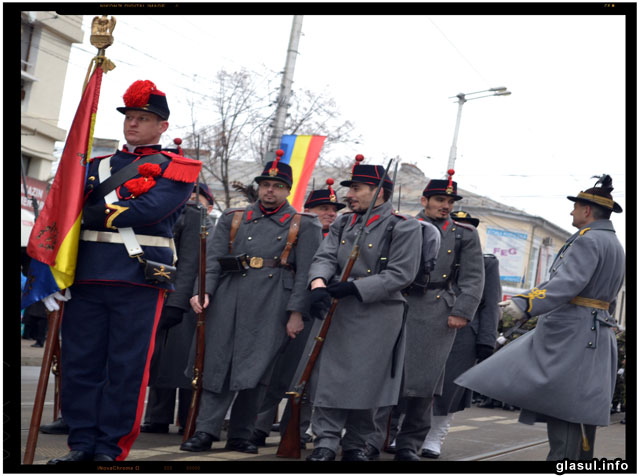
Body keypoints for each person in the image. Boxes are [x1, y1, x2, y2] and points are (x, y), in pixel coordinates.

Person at [46, 80, 202, 463]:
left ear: (162, 126)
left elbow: (148, 211)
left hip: (138, 279)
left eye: (143, 118)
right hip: (85, 277)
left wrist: (85, 212)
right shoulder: (94, 166)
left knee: (126, 370)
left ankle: (111, 450)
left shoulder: (177, 169)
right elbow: (59, 213)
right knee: (80, 365)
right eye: (130, 117)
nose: (133, 124)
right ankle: (81, 444)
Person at [456, 174, 625, 461]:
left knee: (567, 409)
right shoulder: (614, 244)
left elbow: (564, 285)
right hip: (593, 331)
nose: (571, 212)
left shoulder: (588, 241)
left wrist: (524, 303)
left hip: (574, 333)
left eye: (575, 207)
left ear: (587, 210)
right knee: (579, 412)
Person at [179, 152, 322, 454]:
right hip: (229, 298)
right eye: (265, 184)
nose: (270, 190)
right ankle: (205, 430)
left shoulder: (304, 225)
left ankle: (242, 434)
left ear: (288, 189)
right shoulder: (234, 218)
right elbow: (213, 261)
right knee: (217, 366)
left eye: (278, 185)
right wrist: (202, 291)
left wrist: (297, 312)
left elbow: (305, 273)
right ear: (258, 187)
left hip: (273, 303)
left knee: (258, 372)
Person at [305, 155, 422, 462]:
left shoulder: (404, 227)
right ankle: (326, 442)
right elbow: (325, 256)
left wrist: (355, 288)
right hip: (339, 310)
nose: (349, 195)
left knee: (370, 381)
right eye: (350, 188)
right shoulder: (344, 222)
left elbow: (401, 274)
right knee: (330, 377)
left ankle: (356, 443)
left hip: (378, 314)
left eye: (357, 188)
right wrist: (318, 284)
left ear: (380, 191)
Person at [372, 171, 485, 461]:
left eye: (449, 201)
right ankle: (373, 438)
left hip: (437, 310)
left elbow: (474, 278)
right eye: (439, 199)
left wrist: (461, 311)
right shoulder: (403, 225)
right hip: (397, 304)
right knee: (385, 376)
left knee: (425, 383)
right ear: (424, 200)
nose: (445, 205)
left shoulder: (464, 234)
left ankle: (409, 443)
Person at [250, 179, 345, 448]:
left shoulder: (340, 237)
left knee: (307, 376)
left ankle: (297, 430)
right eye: (323, 207)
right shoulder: (294, 231)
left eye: (334, 209)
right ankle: (259, 425)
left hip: (322, 312)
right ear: (308, 210)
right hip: (288, 308)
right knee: (274, 372)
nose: (331, 213)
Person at [420, 210, 501, 459]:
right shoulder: (431, 254)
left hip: (464, 334)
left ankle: (434, 438)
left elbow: (490, 304)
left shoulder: (487, 262)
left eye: (469, 229)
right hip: (428, 325)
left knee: (449, 390)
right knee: (418, 382)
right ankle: (404, 432)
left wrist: (486, 340)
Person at [141, 183, 215, 435]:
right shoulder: (172, 219)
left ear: (210, 204)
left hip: (194, 300)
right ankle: (157, 416)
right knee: (162, 361)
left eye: (199, 197)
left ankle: (188, 417)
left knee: (188, 364)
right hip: (167, 292)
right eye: (190, 196)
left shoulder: (212, 228)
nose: (192, 200)